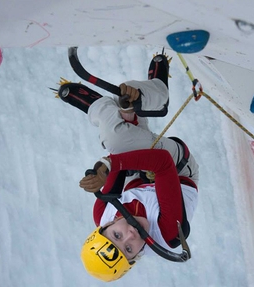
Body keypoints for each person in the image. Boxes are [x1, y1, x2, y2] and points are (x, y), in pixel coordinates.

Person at [57, 52, 199, 282]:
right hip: (177, 165)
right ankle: (100, 106)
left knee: (128, 98)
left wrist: (107, 168)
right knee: (117, 138)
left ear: (107, 225)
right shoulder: (167, 234)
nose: (130, 234)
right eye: (129, 249)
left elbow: (118, 166)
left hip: (141, 173)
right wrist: (108, 164)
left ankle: (135, 101)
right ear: (134, 259)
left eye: (116, 234)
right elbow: (161, 162)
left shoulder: (103, 213)